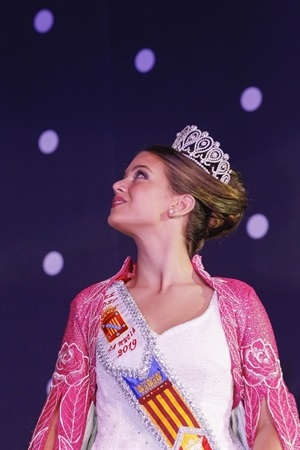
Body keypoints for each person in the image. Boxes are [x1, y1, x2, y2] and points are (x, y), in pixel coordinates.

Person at [29, 125, 299, 450]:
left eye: (140, 175)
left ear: (180, 204)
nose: (119, 184)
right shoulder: (93, 305)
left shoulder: (236, 303)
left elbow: (269, 425)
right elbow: (60, 425)